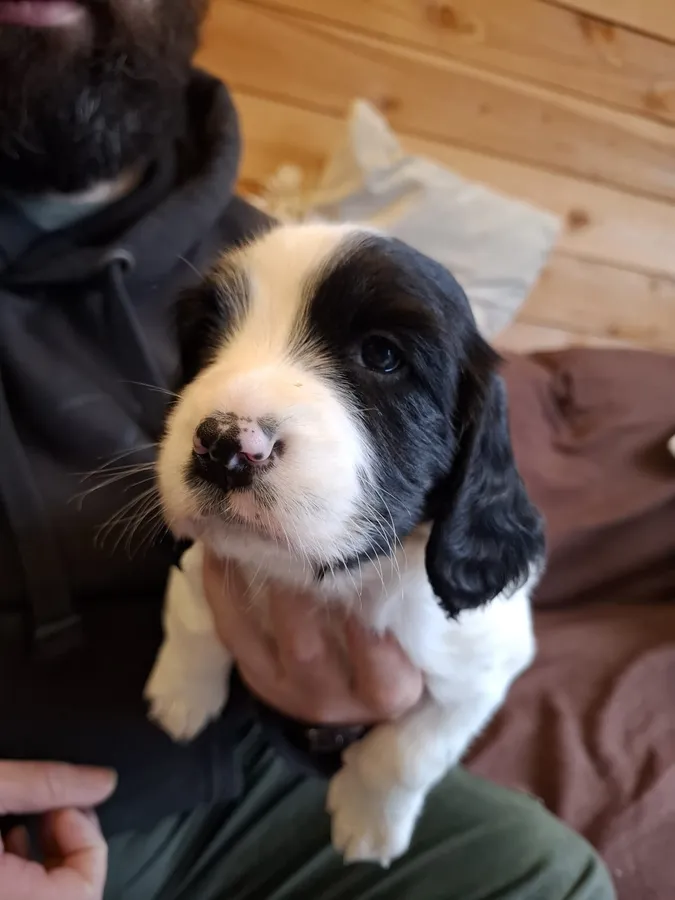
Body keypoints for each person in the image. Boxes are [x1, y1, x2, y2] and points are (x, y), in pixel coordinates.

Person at [0, 1, 614, 898]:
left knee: (548, 873)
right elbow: (195, 576)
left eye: (382, 357)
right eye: (217, 340)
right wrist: (196, 658)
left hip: (251, 767)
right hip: (46, 791)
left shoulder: (254, 240)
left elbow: (477, 666)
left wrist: (364, 758)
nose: (232, 425)